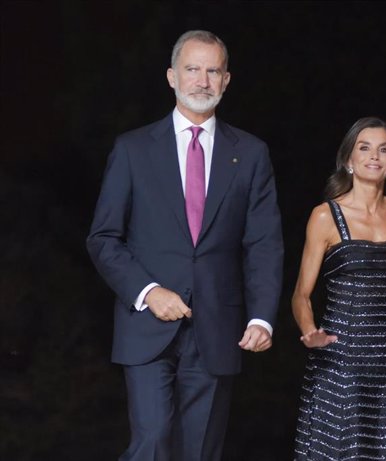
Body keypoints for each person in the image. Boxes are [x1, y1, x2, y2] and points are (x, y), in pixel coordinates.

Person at [86, 30, 283, 460]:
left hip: (218, 327)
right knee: (153, 440)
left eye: (213, 71)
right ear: (172, 76)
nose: (202, 80)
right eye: (193, 69)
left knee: (199, 451)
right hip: (147, 326)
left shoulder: (250, 153)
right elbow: (103, 238)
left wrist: (263, 317)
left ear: (226, 80)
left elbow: (263, 242)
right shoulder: (133, 149)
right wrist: (148, 291)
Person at [292, 117, 386, 460]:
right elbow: (300, 295)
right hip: (340, 363)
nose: (375, 156)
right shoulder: (325, 216)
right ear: (348, 161)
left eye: (384, 149)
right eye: (364, 148)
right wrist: (309, 331)